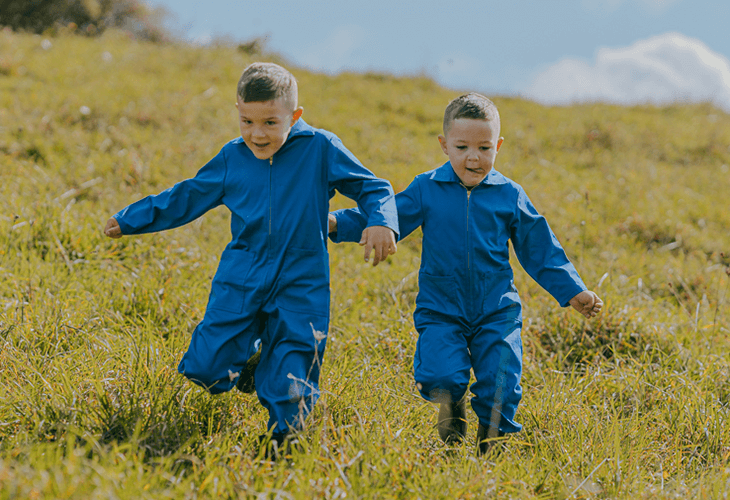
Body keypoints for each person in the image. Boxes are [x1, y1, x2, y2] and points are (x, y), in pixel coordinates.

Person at [104, 62, 398, 454]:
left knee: (296, 358)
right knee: (206, 367)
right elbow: (186, 196)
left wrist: (381, 221)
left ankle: (284, 439)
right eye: (247, 121)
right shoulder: (232, 157)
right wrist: (131, 219)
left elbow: (374, 187)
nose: (257, 134)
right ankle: (253, 366)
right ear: (238, 112)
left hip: (302, 274)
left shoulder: (320, 148)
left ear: (294, 116)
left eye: (270, 123)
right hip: (243, 272)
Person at [329, 93, 602, 454]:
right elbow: (385, 216)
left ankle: (491, 450)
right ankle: (451, 426)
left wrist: (573, 291)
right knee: (441, 376)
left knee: (502, 382)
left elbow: (541, 249)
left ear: (498, 146)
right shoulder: (427, 188)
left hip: (497, 311)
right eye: (461, 147)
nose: (473, 157)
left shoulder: (509, 195)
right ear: (444, 145)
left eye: (484, 148)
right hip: (442, 308)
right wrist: (335, 222)